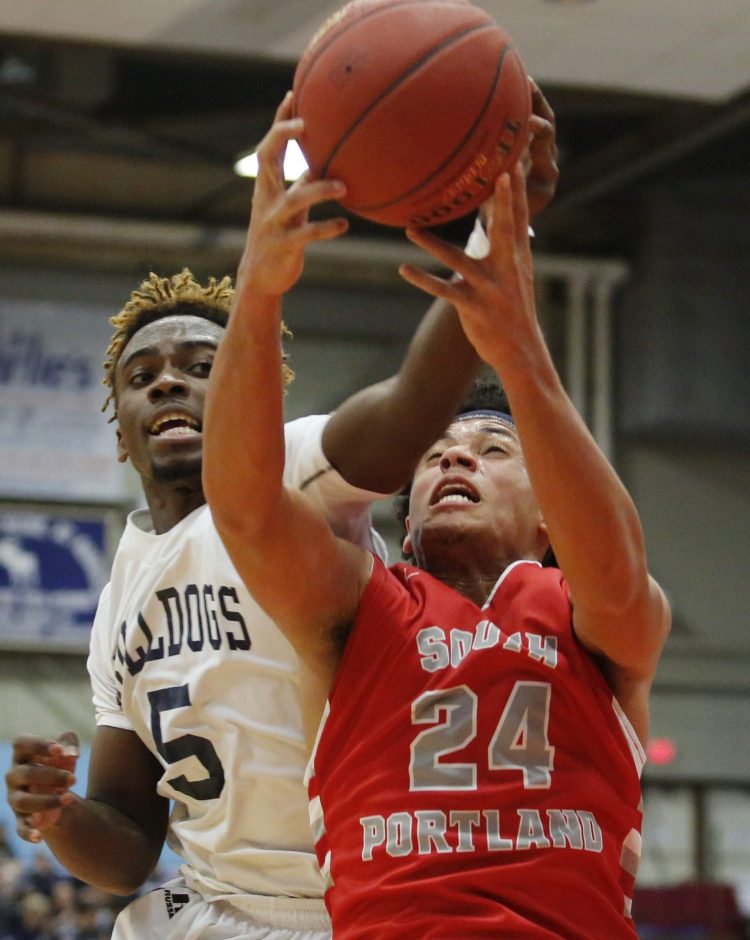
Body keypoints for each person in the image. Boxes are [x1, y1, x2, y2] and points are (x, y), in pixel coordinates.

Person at [5, 85, 558, 940]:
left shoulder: (296, 467)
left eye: (200, 365)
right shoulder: (120, 592)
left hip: (351, 903)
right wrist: (57, 816)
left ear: (249, 389)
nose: (169, 382)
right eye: (144, 374)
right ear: (120, 423)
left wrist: (495, 237)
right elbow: (125, 848)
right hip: (208, 904)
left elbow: (412, 409)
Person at [203, 154, 672, 936]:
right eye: (435, 454)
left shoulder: (587, 617)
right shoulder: (362, 607)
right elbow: (245, 512)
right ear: (406, 518)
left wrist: (520, 354)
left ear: (551, 512)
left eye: (492, 451)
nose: (455, 457)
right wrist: (258, 289)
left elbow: (619, 579)